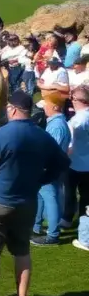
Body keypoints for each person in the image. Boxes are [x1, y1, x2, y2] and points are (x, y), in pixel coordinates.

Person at [0, 91, 70, 296]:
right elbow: (62, 162)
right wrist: (41, 179)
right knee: (22, 251)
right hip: (27, 202)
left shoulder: (0, 134)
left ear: (12, 109)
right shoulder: (42, 136)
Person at [32, 97, 72, 246]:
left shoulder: (56, 126)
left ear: (55, 107)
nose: (44, 108)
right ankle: (36, 227)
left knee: (50, 197)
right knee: (42, 196)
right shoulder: (56, 123)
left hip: (48, 167)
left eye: (46, 105)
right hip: (51, 166)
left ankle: (53, 235)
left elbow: (49, 149)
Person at [65, 86, 89, 229]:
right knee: (86, 196)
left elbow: (69, 144)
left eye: (72, 99)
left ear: (78, 100)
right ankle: (84, 221)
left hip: (75, 163)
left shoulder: (76, 121)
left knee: (69, 194)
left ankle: (67, 219)